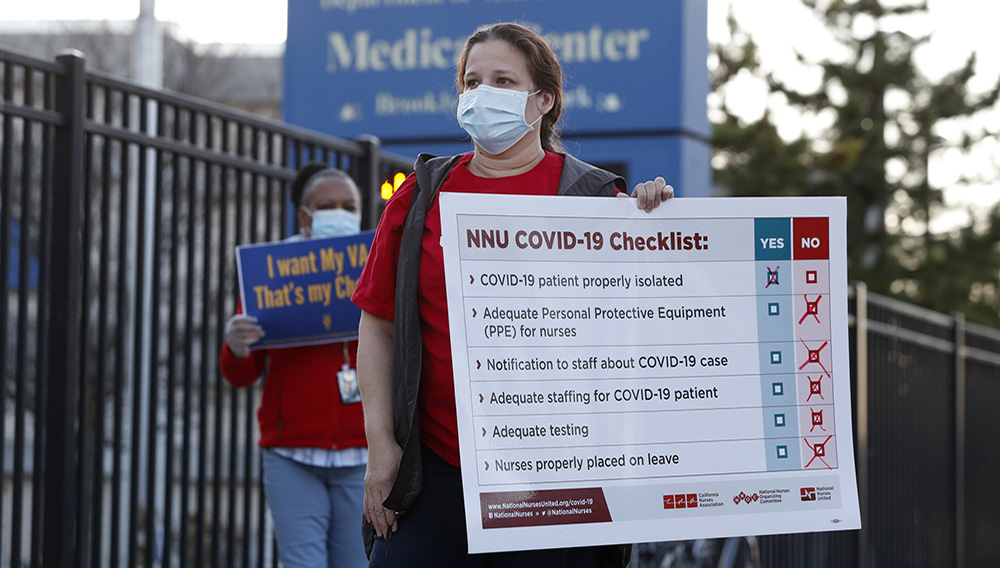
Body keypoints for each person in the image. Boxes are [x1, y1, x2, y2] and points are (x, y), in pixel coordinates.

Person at [350, 22, 674, 568]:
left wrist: (657, 221)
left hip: (560, 484)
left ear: (543, 100)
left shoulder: (596, 198)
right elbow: (378, 325)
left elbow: (657, 320)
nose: (482, 95)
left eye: (502, 80)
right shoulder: (422, 196)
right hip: (435, 475)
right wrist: (381, 446)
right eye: (471, 82)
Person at [219, 164, 369, 568]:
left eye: (348, 205)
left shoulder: (374, 268)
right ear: (304, 215)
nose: (340, 212)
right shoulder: (268, 277)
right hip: (292, 454)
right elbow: (240, 374)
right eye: (327, 206)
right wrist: (235, 346)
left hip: (362, 455)